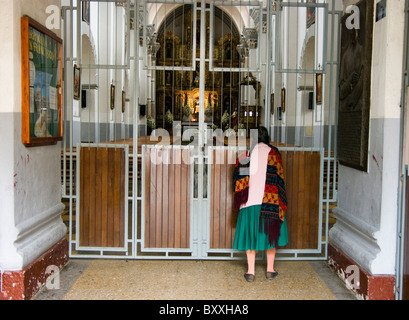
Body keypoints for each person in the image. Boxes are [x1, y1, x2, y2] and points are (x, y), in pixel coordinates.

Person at [233, 126, 288, 282]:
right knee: (271, 234)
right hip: (270, 201)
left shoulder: (246, 155)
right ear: (267, 137)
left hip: (250, 202)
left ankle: (251, 272)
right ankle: (270, 270)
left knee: (251, 236)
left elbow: (239, 181)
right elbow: (279, 179)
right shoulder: (274, 153)